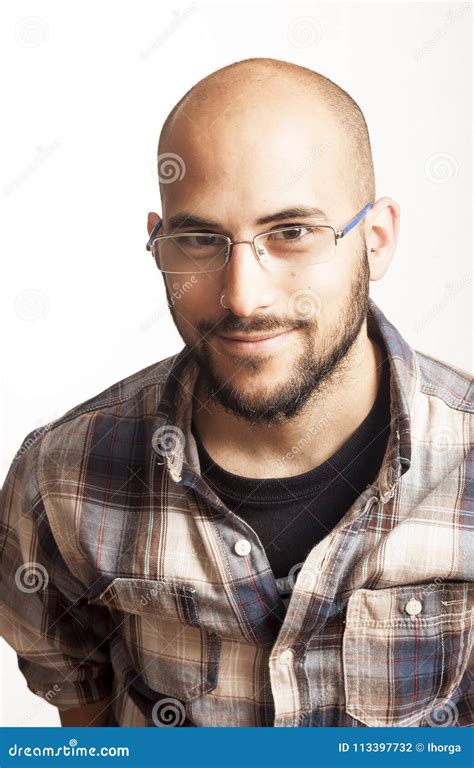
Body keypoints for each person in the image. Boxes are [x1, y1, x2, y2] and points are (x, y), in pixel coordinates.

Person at [1, 58, 472, 728]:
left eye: (291, 233)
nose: (242, 299)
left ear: (377, 239)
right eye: (199, 239)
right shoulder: (59, 479)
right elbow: (84, 718)